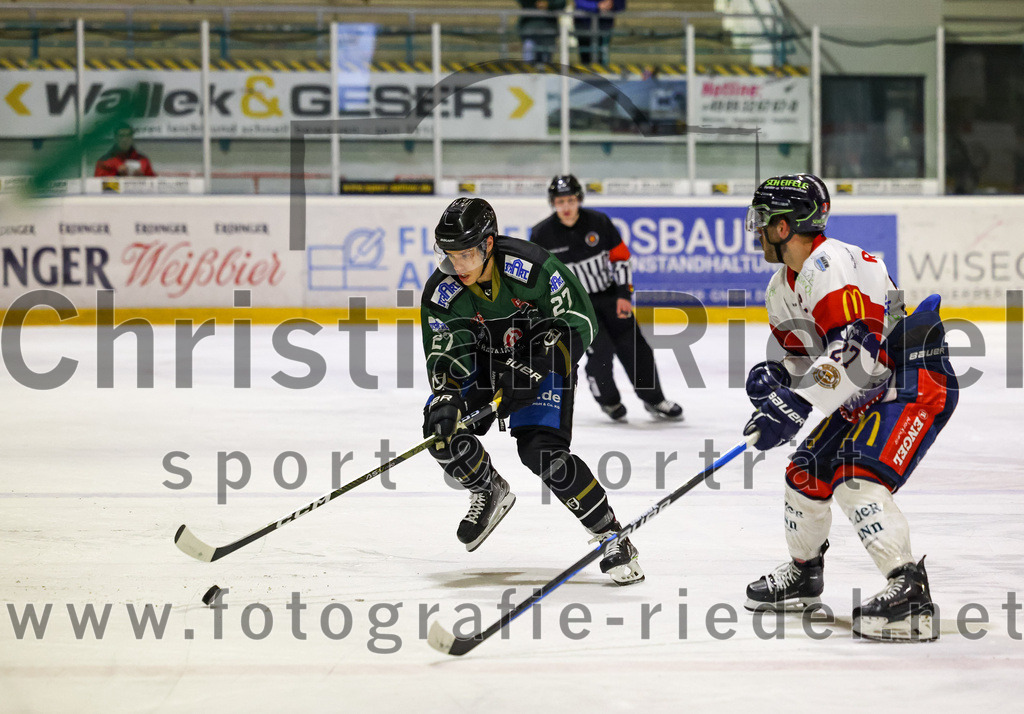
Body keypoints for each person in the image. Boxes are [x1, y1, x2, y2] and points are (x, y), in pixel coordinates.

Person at [741, 174, 958, 641]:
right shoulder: (780, 287)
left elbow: (857, 350)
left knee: (857, 474)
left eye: (763, 219)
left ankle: (910, 590)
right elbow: (812, 366)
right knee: (805, 474)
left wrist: (796, 402)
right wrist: (778, 387)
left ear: (784, 227)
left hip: (911, 376)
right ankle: (805, 573)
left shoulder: (826, 262)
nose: (755, 229)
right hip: (868, 387)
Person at [421, 196, 644, 585]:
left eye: (466, 255)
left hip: (542, 361)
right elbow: (446, 353)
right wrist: (446, 394)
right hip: (485, 366)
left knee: (542, 453)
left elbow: (580, 321)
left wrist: (535, 366)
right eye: (450, 255)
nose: (456, 266)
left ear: (488, 244)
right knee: (441, 430)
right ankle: (486, 487)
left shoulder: (533, 268)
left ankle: (612, 535)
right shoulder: (443, 291)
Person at [530, 175, 683, 422]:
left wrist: (624, 295)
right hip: (577, 308)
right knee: (600, 352)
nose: (566, 207)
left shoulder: (599, 222)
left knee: (636, 348)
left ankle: (654, 399)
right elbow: (539, 278)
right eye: (560, 201)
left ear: (579, 199)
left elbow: (621, 258)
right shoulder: (541, 234)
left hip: (610, 297)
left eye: (570, 200)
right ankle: (609, 401)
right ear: (553, 203)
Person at [574, 0, 625, 66]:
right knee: (585, 57)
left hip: (604, 25)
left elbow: (621, 5)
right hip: (584, 24)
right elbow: (579, 3)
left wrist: (611, 3)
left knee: (602, 56)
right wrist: (597, 6)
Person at [518, 0, 565, 65]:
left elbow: (562, 3)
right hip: (530, 31)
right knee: (529, 61)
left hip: (548, 32)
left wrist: (548, 4)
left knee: (545, 64)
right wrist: (536, 2)